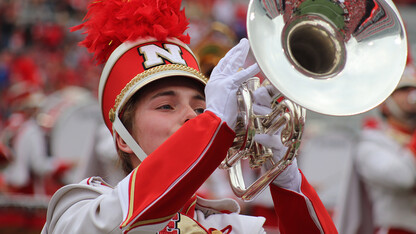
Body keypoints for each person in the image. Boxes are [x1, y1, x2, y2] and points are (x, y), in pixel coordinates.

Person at [42, 0, 337, 233]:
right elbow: (123, 220)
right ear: (122, 138)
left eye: (200, 108)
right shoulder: (78, 213)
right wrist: (213, 123)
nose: (192, 118)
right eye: (166, 106)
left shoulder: (235, 228)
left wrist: (287, 182)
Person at [334, 62, 416, 234]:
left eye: (413, 89)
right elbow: (403, 177)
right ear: (384, 104)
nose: (411, 94)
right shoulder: (369, 143)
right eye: (403, 90)